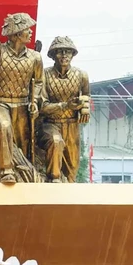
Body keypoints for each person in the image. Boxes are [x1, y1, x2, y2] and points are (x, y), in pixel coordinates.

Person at [0, 0, 44, 183]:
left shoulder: (35, 57)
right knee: (3, 126)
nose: (31, 31)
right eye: (27, 28)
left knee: (24, 146)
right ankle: (6, 170)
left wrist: (35, 101)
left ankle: (29, 175)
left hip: (23, 105)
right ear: (15, 34)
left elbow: (38, 82)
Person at [38, 36, 90, 183]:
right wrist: (65, 105)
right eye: (59, 52)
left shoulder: (81, 76)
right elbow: (43, 106)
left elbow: (86, 96)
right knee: (56, 142)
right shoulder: (44, 75)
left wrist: (84, 108)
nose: (64, 55)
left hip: (72, 125)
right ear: (53, 55)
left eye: (68, 52)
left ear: (73, 54)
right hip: (50, 123)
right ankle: (54, 179)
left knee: (72, 168)